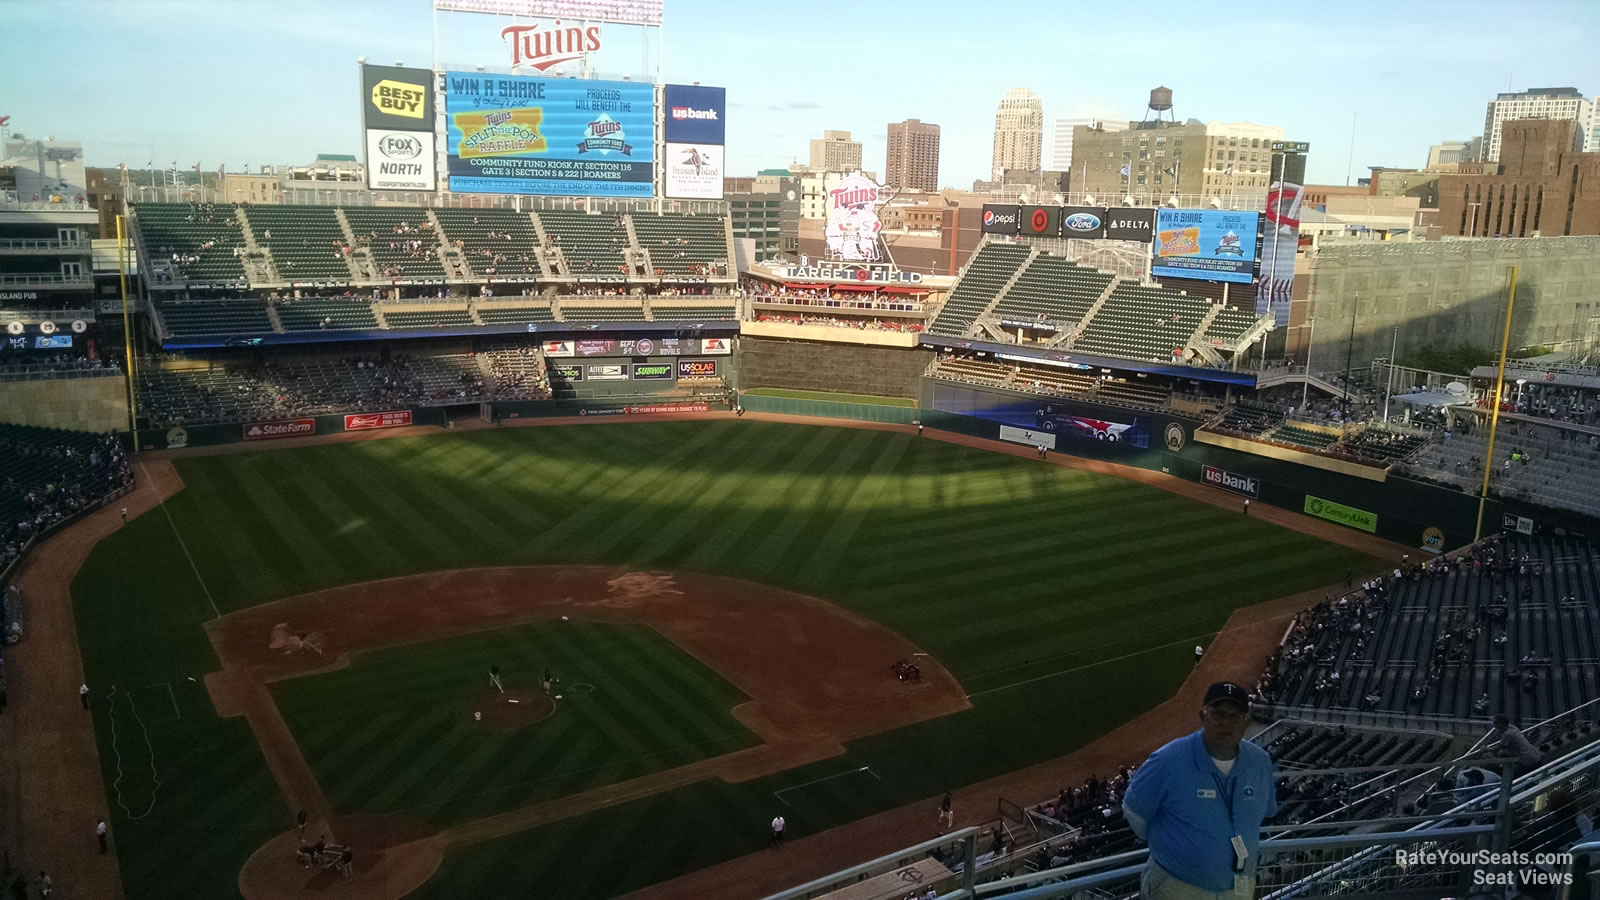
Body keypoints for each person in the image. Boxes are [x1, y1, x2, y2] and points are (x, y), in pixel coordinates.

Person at [1123, 682, 1277, 899]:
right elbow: (1135, 815)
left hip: (1238, 889)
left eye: (1234, 716)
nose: (1226, 722)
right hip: (1176, 888)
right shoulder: (1167, 760)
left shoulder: (1261, 763)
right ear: (1202, 717)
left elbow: (1264, 813)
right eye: (1218, 714)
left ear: (1246, 722)